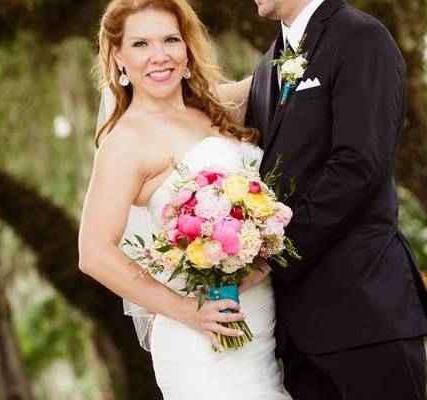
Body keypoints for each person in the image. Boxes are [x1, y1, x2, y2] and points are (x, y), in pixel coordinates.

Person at [79, 0, 290, 398]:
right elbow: (93, 253)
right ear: (117, 56)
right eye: (140, 44)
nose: (159, 56)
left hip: (262, 327)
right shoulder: (126, 142)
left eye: (170, 39)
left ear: (187, 47)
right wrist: (184, 309)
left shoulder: (217, 108)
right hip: (201, 345)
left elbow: (289, 65)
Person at [246, 0, 427, 398]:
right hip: (296, 338)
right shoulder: (266, 67)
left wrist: (274, 254)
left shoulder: (361, 38)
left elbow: (359, 166)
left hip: (365, 312)